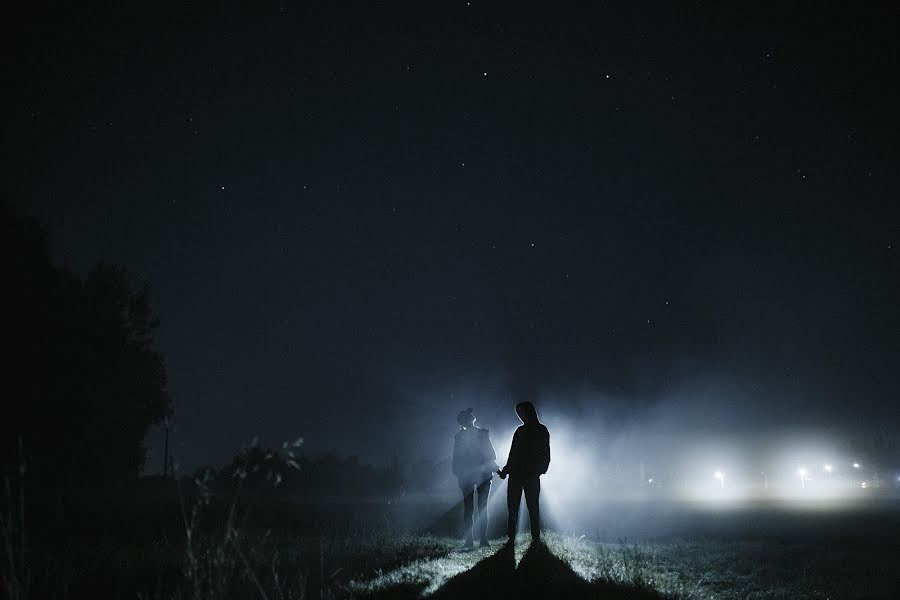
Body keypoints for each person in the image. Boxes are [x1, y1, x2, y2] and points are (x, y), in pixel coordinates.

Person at [497, 401, 550, 542]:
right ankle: (517, 536)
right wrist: (507, 469)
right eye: (518, 413)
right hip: (521, 474)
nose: (520, 415)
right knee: (517, 506)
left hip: (527, 475)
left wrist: (539, 470)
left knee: (529, 506)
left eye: (521, 412)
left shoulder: (536, 430)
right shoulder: (531, 430)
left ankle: (531, 536)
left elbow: (545, 453)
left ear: (528, 412)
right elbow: (513, 454)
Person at [452, 408, 498, 549]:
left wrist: (458, 473)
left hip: (470, 475)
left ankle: (471, 540)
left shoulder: (460, 436)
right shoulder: (482, 433)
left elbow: (456, 459)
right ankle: (481, 539)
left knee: (470, 508)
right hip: (481, 474)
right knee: (481, 507)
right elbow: (492, 455)